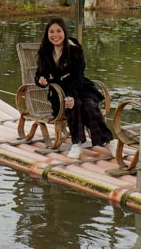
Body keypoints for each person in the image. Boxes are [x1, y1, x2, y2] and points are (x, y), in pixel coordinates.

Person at [35, 18, 114, 157]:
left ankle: (107, 141)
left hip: (80, 87)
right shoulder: (45, 52)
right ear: (47, 34)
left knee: (89, 104)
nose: (55, 35)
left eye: (59, 31)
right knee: (74, 105)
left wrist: (70, 94)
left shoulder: (75, 50)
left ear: (64, 32)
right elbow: (40, 75)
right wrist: (40, 81)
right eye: (51, 32)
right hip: (59, 93)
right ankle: (77, 142)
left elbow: (77, 76)